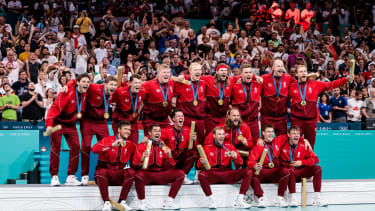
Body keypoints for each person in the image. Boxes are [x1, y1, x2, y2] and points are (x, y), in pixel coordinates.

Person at [63, 76, 117, 185]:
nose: (113, 87)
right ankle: (85, 175)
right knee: (86, 146)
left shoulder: (114, 93)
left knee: (108, 147)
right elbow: (75, 80)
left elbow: (126, 86)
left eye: (115, 85)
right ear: (105, 84)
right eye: (111, 84)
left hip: (102, 122)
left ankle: (106, 173)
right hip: (87, 121)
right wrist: (66, 86)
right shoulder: (94, 87)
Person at [45, 73, 90, 186]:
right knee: (56, 148)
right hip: (57, 123)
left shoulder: (85, 91)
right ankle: (54, 176)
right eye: (84, 82)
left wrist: (71, 82)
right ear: (78, 83)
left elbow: (75, 81)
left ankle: (70, 176)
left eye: (88, 82)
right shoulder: (66, 93)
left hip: (70, 124)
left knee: (76, 147)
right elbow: (53, 109)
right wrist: (49, 125)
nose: (86, 84)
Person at [289, 65, 349, 148]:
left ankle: (308, 161)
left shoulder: (315, 84)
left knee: (310, 145)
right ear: (296, 74)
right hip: (296, 120)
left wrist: (345, 80)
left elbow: (331, 84)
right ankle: (294, 160)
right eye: (301, 72)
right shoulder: (291, 86)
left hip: (311, 121)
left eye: (305, 71)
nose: (303, 73)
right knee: (293, 144)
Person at [132, 124, 185, 210]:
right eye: (155, 130)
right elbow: (134, 165)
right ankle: (142, 202)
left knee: (180, 173)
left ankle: (170, 201)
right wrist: (141, 159)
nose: (158, 133)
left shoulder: (164, 146)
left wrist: (169, 156)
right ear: (149, 133)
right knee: (138, 175)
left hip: (161, 175)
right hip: (147, 174)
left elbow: (171, 167)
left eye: (159, 131)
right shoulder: (142, 146)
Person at [197, 127, 252, 209]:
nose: (222, 136)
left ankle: (240, 198)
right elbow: (198, 165)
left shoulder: (229, 146)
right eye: (219, 134)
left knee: (248, 172)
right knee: (201, 175)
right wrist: (202, 163)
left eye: (223, 134)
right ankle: (211, 200)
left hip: (227, 174)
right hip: (213, 173)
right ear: (214, 135)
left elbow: (239, 164)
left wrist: (235, 158)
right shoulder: (207, 147)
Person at [92, 121, 136, 211]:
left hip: (118, 175)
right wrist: (112, 145)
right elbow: (94, 149)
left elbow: (138, 155)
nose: (128, 131)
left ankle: (122, 201)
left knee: (131, 172)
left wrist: (146, 140)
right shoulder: (107, 140)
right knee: (100, 172)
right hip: (106, 174)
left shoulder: (130, 144)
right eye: (125, 129)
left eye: (129, 130)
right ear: (119, 130)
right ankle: (106, 203)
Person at [278, 126, 327, 207]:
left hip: (299, 172)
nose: (296, 135)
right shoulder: (282, 144)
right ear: (289, 135)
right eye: (294, 133)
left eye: (298, 134)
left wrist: (302, 162)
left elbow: (315, 159)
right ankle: (292, 198)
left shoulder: (303, 145)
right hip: (288, 173)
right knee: (290, 170)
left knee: (318, 168)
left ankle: (317, 198)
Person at [248, 124, 290, 208]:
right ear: (263, 133)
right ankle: (260, 198)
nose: (271, 134)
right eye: (268, 132)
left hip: (275, 171)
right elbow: (250, 161)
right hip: (263, 171)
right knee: (251, 174)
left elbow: (292, 135)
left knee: (286, 171)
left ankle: (280, 197)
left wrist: (304, 140)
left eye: (272, 132)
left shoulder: (278, 140)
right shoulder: (259, 145)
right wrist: (254, 165)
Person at [161, 109, 197, 184]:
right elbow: (159, 140)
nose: (181, 118)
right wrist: (165, 147)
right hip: (170, 158)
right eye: (178, 116)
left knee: (193, 153)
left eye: (182, 116)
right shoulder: (166, 130)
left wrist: (194, 141)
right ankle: (170, 175)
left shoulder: (189, 130)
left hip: (180, 159)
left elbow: (194, 148)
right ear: (173, 119)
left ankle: (183, 175)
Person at [173, 63, 206, 143]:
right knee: (185, 143)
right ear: (190, 71)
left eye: (199, 70)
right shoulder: (182, 82)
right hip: (186, 119)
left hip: (199, 120)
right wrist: (184, 77)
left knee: (199, 143)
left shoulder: (203, 83)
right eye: (195, 70)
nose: (198, 72)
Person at [261, 59, 296, 136]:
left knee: (283, 141)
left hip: (281, 118)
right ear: (272, 68)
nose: (280, 68)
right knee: (266, 141)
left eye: (282, 66)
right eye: (278, 66)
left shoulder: (288, 78)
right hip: (267, 117)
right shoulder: (264, 78)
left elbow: (299, 83)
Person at [140, 64, 175, 132]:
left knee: (166, 141)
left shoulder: (172, 83)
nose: (166, 74)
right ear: (158, 73)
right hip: (151, 120)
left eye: (168, 72)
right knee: (151, 141)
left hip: (164, 120)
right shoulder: (148, 84)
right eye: (164, 72)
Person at [231, 64, 262, 139]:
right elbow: (227, 79)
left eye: (250, 72)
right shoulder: (234, 86)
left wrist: (255, 76)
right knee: (240, 144)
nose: (248, 74)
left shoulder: (258, 84)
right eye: (246, 72)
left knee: (255, 143)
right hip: (240, 121)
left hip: (253, 122)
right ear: (241, 74)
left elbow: (265, 79)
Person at [111, 74, 144, 144]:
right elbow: (110, 100)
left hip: (133, 122)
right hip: (120, 121)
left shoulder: (142, 91)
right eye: (136, 83)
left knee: (134, 144)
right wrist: (114, 104)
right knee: (120, 144)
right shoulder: (120, 92)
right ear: (130, 83)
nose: (138, 85)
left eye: (139, 83)